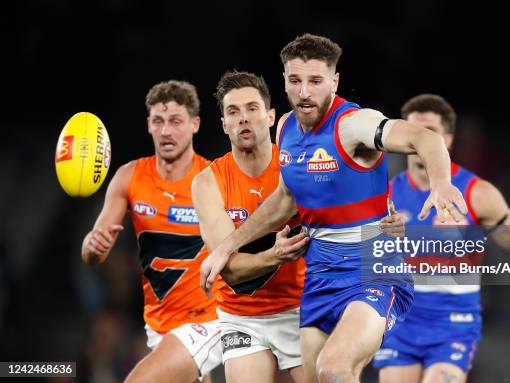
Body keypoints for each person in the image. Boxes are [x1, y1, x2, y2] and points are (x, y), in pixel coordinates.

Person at [200, 34, 469, 383]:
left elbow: (425, 139)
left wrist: (441, 183)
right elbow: (285, 199)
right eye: (295, 81)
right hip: (321, 276)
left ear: (334, 81)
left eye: (315, 81)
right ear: (284, 82)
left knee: (335, 368)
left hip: (373, 272)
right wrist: (226, 246)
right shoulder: (286, 129)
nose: (304, 92)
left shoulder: (353, 125)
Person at [374, 94, 510, 383]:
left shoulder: (477, 193)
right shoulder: (381, 197)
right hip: (399, 325)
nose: (420, 142)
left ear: (448, 140)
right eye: (413, 134)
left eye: (430, 133)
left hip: (452, 326)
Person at [81, 80, 222, 383]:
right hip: (159, 323)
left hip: (208, 319)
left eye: (175, 121)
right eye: (158, 121)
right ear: (149, 124)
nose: (166, 131)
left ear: (195, 124)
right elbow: (92, 252)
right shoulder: (129, 177)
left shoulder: (215, 179)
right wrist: (93, 246)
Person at [191, 70, 309, 383]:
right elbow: (229, 271)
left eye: (252, 109)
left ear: (271, 116)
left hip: (300, 307)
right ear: (224, 124)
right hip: (241, 316)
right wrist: (277, 255)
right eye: (233, 112)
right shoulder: (207, 183)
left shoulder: (296, 167)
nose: (243, 118)